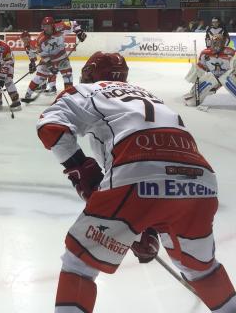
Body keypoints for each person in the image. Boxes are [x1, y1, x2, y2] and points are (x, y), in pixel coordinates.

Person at [36, 51, 236, 313]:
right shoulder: (150, 95)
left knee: (80, 264)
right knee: (201, 269)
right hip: (200, 178)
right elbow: (163, 178)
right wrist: (145, 229)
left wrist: (81, 169)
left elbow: (49, 125)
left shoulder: (89, 90)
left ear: (91, 72)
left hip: (136, 168)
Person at [23, 17, 86, 101]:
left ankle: (68, 97)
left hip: (62, 57)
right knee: (39, 77)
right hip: (48, 60)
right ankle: (28, 94)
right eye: (44, 26)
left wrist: (79, 32)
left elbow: (74, 23)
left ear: (52, 25)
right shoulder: (40, 39)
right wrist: (50, 66)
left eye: (47, 26)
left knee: (68, 75)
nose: (45, 28)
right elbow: (43, 54)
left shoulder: (60, 26)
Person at [184, 34, 236, 106]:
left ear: (223, 43)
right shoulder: (205, 53)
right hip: (215, 78)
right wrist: (196, 73)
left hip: (228, 76)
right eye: (214, 42)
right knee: (210, 78)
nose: (216, 45)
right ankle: (195, 96)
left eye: (218, 42)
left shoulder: (231, 53)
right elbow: (201, 67)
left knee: (227, 78)